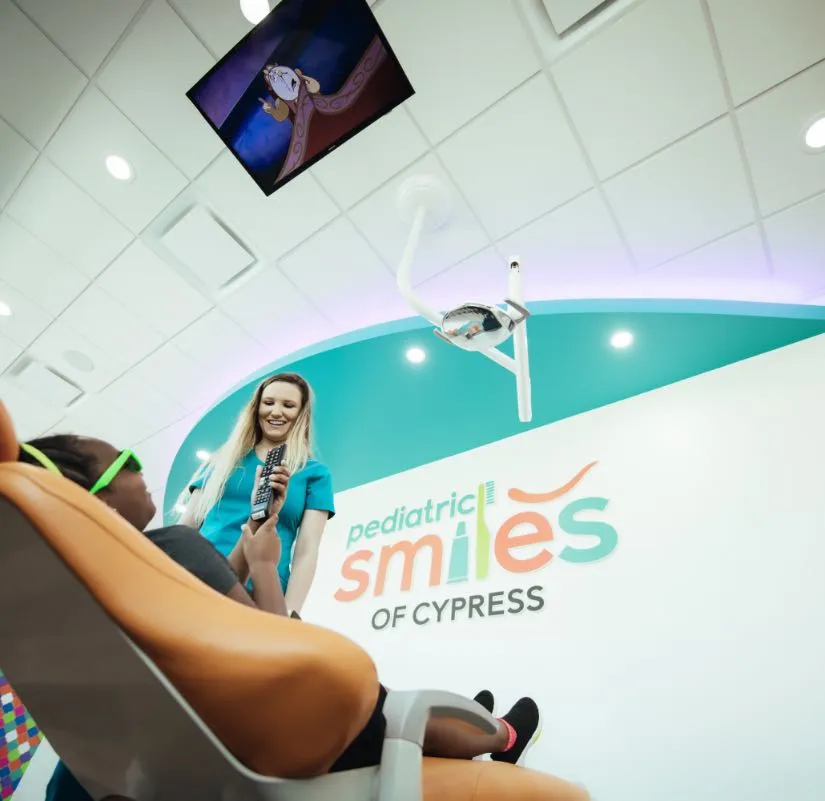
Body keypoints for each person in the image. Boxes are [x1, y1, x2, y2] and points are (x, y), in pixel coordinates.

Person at [18, 434, 541, 801]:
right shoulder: (175, 545)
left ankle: (480, 726)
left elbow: (189, 619)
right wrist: (266, 566)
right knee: (388, 711)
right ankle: (503, 738)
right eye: (127, 461)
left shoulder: (71, 609)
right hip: (280, 747)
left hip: (171, 771)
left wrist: (245, 553)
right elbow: (283, 660)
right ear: (95, 497)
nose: (140, 471)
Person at [180, 373, 334, 615]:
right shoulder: (222, 461)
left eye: (288, 405)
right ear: (256, 407)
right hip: (200, 580)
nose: (276, 412)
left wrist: (290, 613)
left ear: (301, 414)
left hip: (260, 593)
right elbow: (187, 528)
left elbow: (307, 551)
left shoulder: (314, 474)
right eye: (269, 403)